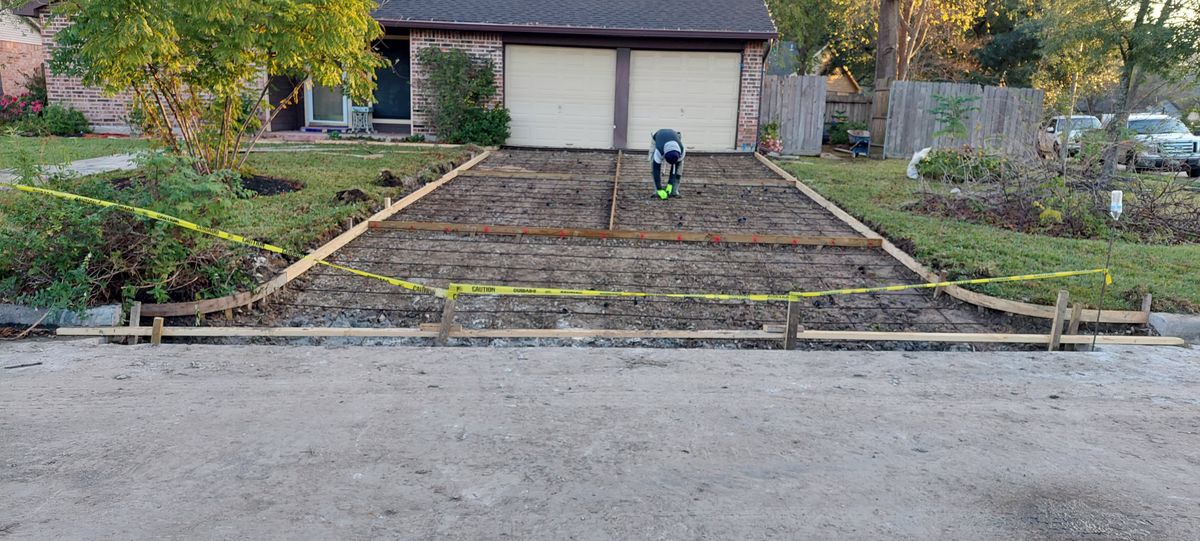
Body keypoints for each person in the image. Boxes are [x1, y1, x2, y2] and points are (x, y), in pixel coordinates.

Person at [649, 129, 684, 200]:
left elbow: (675, 168)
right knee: (652, 163)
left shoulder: (682, 151)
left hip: (674, 136)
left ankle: (674, 191)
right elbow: (656, 169)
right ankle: (657, 191)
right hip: (658, 137)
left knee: (679, 168)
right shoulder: (659, 150)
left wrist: (670, 184)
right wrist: (659, 189)